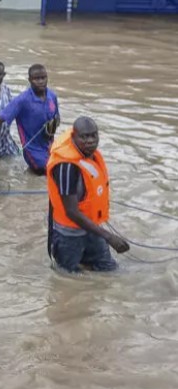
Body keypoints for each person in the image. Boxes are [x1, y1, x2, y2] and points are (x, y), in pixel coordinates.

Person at [47, 117, 129, 273]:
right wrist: (109, 237)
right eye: (84, 137)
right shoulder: (66, 166)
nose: (90, 141)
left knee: (110, 270)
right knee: (66, 278)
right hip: (69, 235)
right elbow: (71, 212)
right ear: (73, 137)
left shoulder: (90, 155)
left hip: (92, 229)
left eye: (93, 136)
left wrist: (103, 234)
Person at [0, 64, 60, 174]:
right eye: (36, 79)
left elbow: (56, 119)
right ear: (30, 80)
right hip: (32, 150)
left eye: (43, 78)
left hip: (49, 145)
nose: (40, 81)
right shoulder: (22, 100)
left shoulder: (52, 96)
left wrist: (53, 129)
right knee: (49, 171)